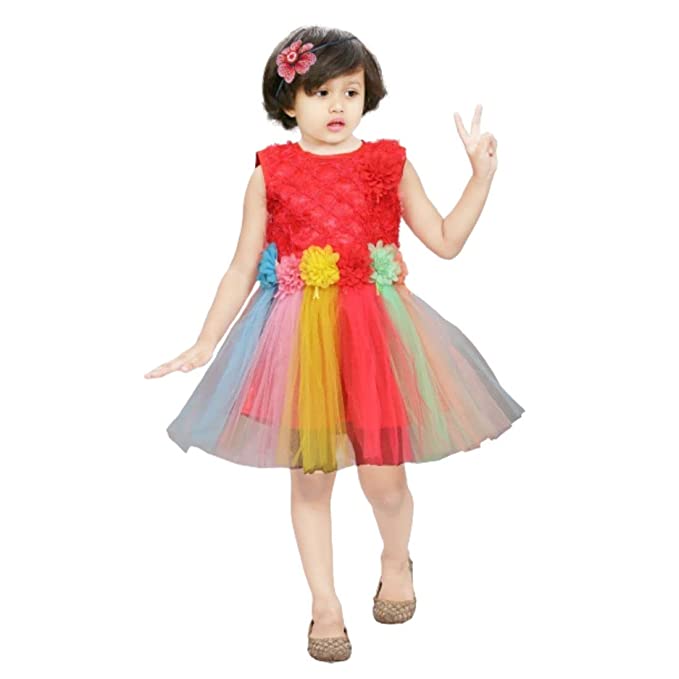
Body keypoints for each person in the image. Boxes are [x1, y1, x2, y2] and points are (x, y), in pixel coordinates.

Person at [144, 25, 524, 663]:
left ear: (368, 94)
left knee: (385, 481)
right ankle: (325, 603)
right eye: (320, 93)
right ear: (289, 101)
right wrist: (206, 341)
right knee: (311, 480)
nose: (337, 105)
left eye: (350, 90)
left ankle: (396, 558)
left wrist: (480, 179)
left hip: (376, 335)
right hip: (296, 342)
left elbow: (444, 240)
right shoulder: (271, 172)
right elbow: (241, 266)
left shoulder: (388, 163)